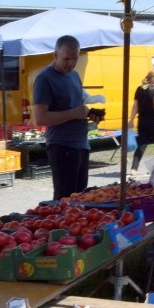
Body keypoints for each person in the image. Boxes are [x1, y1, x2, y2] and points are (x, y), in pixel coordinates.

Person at [32, 35, 91, 200]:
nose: (71, 63)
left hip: (81, 144)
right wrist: (73, 114)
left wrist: (88, 114)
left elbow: (75, 107)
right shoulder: (44, 78)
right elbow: (39, 119)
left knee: (80, 198)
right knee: (65, 200)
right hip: (62, 146)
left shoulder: (75, 75)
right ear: (55, 55)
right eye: (66, 59)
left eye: (75, 58)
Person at [128, 69, 154, 174]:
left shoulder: (140, 89)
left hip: (142, 121)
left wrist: (131, 120)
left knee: (141, 145)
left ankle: (134, 168)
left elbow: (135, 106)